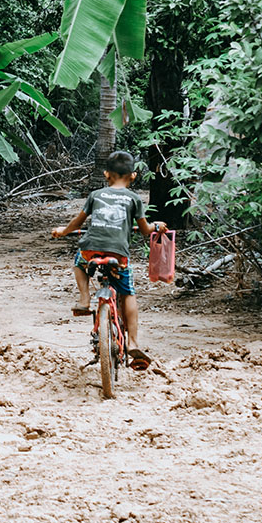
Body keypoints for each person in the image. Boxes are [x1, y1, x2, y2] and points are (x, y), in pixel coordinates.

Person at [51, 150, 168, 370]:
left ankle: (85, 299)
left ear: (106, 174)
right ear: (133, 176)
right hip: (118, 255)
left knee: (79, 263)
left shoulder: (96, 195)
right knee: (128, 292)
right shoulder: (134, 199)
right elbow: (144, 230)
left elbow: (77, 223)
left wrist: (63, 231)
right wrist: (157, 226)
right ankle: (133, 342)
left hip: (90, 252)